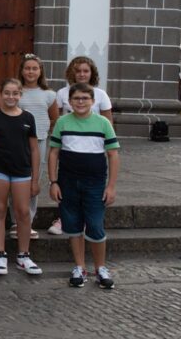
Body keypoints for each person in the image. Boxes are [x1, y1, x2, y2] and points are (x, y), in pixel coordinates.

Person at [47, 83, 121, 289]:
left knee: (96, 225)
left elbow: (113, 155)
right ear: (69, 102)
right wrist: (53, 182)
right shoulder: (62, 122)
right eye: (76, 98)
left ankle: (100, 268)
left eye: (84, 98)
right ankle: (80, 267)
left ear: (93, 101)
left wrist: (111, 186)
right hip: (68, 181)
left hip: (95, 182)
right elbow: (53, 152)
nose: (80, 102)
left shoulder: (103, 123)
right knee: (72, 225)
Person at [48, 56, 114, 235]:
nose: (82, 74)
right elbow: (58, 120)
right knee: (67, 187)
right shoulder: (62, 93)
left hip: (93, 146)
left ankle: (89, 221)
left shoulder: (101, 94)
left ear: (92, 73)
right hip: (70, 145)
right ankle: (63, 219)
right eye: (78, 71)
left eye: (86, 71)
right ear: (71, 73)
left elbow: (108, 122)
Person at [0, 79, 41, 277]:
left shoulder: (28, 118)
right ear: (1, 94)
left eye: (15, 93)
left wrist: (35, 178)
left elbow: (34, 148)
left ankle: (23, 255)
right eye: (6, 93)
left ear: (20, 95)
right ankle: (0, 254)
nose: (10, 97)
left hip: (22, 170)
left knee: (23, 212)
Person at [14, 53, 58, 239]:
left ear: (40, 71)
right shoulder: (16, 91)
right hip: (16, 140)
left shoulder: (49, 94)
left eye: (34, 68)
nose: (30, 72)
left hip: (38, 141)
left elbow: (54, 117)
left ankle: (28, 221)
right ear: (22, 71)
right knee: (15, 181)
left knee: (33, 180)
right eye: (27, 68)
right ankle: (16, 222)